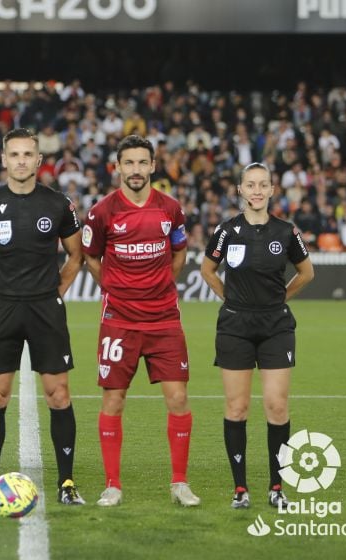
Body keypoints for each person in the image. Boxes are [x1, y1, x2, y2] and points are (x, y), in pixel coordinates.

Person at [0, 128, 86, 507]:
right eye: (14, 154)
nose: (20, 161)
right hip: (3, 309)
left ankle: (67, 483)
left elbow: (76, 255)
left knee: (58, 395)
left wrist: (57, 291)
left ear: (38, 160)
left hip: (45, 308)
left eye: (27, 154)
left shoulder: (58, 204)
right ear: (4, 159)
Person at [82, 134, 200, 508]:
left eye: (142, 162)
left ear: (153, 166)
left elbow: (179, 253)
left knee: (178, 398)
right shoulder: (102, 212)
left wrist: (161, 286)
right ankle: (112, 485)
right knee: (114, 400)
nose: (136, 170)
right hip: (119, 320)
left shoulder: (171, 209)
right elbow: (91, 257)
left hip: (164, 318)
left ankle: (179, 483)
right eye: (129, 163)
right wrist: (113, 288)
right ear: (118, 167)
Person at [200, 162, 314, 509]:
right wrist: (230, 299)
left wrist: (281, 299)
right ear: (240, 190)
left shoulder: (286, 231)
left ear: (272, 190)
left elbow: (306, 273)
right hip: (235, 326)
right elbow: (207, 269)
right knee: (237, 407)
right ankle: (240, 489)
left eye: (263, 184)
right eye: (250, 185)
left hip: (276, 326)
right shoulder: (226, 230)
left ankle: (277, 487)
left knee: (277, 406)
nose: (257, 191)